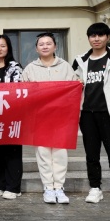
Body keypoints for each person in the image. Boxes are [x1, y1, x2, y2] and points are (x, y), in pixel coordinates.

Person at [72, 22, 110, 208]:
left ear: (107, 37)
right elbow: (72, 84)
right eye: (93, 36)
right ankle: (95, 188)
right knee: (92, 154)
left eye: (100, 35)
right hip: (87, 114)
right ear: (88, 38)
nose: (96, 39)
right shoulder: (80, 60)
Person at [22, 32, 80, 204]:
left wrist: (79, 85)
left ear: (55, 46)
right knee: (43, 153)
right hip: (40, 118)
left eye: (48, 43)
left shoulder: (65, 67)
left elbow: (74, 89)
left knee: (60, 153)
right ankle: (48, 187)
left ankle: (59, 187)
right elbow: (24, 92)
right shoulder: (30, 69)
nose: (45, 46)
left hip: (61, 118)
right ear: (36, 49)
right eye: (41, 44)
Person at [0, 34, 24, 200]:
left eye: (2, 46)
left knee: (12, 151)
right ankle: (0, 184)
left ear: (8, 48)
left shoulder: (15, 67)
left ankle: (14, 187)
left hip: (12, 116)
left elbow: (19, 91)